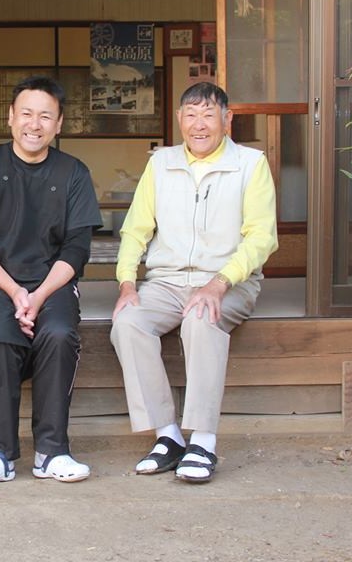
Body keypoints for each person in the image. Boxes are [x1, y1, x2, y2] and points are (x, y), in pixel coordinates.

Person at [110, 82, 278, 483]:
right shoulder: (161, 163)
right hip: (166, 281)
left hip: (228, 281)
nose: (198, 125)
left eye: (208, 115)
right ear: (180, 120)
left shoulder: (251, 164)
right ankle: (167, 436)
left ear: (227, 119)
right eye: (190, 115)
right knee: (128, 322)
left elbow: (261, 237)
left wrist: (219, 283)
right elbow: (136, 229)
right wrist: (127, 283)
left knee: (200, 320)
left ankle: (203, 440)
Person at [0, 75, 102, 487]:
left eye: (45, 117)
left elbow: (76, 249)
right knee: (0, 337)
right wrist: (16, 291)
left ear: (59, 124)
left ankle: (52, 451)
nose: (34, 124)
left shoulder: (73, 172)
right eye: (26, 114)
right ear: (10, 118)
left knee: (56, 333)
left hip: (51, 281)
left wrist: (37, 296)